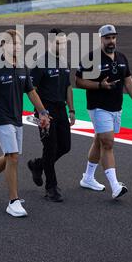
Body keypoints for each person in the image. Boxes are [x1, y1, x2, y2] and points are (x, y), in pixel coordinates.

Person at [0, 29, 50, 217]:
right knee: (13, 157)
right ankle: (13, 201)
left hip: (16, 119)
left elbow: (32, 92)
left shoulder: (23, 67)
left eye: (18, 44)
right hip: (1, 119)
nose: (16, 47)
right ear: (3, 46)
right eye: (12, 43)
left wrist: (43, 112)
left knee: (10, 156)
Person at [75, 24, 132, 199]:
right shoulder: (91, 58)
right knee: (108, 143)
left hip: (116, 107)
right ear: (101, 39)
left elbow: (129, 82)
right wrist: (100, 85)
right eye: (107, 38)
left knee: (99, 141)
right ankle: (115, 186)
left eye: (113, 37)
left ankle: (88, 177)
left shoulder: (121, 57)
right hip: (98, 106)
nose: (111, 41)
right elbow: (78, 82)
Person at [27, 29, 75, 202]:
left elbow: (68, 87)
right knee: (50, 147)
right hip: (46, 111)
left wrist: (71, 109)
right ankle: (51, 187)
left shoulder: (64, 62)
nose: (61, 46)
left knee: (65, 146)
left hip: (61, 109)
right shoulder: (40, 62)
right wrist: (42, 113)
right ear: (49, 43)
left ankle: (38, 164)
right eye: (57, 42)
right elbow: (32, 90)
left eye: (63, 43)